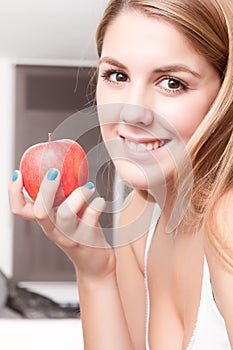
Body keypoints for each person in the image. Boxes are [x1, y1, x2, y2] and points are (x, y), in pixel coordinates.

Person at [8, 0, 233, 349]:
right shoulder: (139, 220)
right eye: (118, 76)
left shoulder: (227, 219)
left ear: (225, 96)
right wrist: (94, 270)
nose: (131, 112)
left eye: (172, 83)